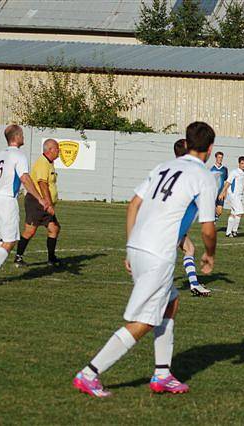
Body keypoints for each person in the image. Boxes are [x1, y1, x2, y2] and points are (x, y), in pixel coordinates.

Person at [73, 122, 218, 398]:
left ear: (186, 144)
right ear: (210, 149)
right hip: (157, 254)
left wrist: (130, 247)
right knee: (146, 319)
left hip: (139, 245)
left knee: (171, 303)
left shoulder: (163, 167)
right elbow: (208, 228)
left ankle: (162, 374)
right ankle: (89, 373)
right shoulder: (203, 176)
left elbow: (133, 204)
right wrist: (209, 255)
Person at [0, 125, 49, 286]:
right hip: (6, 200)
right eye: (22, 135)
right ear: (17, 136)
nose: (24, 137)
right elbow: (25, 178)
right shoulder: (19, 155)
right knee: (10, 241)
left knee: (1, 239)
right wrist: (40, 199)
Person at [14, 139, 61, 267]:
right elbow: (42, 184)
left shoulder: (49, 163)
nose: (59, 151)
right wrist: (48, 203)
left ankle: (51, 259)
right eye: (57, 149)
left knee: (54, 228)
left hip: (44, 203)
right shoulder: (42, 163)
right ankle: (18, 257)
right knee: (30, 230)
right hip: (37, 202)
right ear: (50, 150)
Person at [174, 139, 212, 297]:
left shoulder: (170, 168)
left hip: (170, 221)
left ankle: (194, 284)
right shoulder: (187, 171)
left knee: (189, 249)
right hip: (172, 223)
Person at [219, 156, 244, 237]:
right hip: (233, 195)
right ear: (239, 163)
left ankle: (228, 233)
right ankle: (234, 231)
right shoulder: (234, 172)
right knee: (240, 212)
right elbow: (228, 182)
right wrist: (222, 192)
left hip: (239, 196)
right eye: (242, 163)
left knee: (233, 214)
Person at [210, 151, 228, 221]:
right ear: (216, 158)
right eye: (219, 157)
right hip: (212, 192)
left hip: (221, 193)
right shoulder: (211, 168)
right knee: (212, 209)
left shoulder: (225, 169)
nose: (220, 159)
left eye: (221, 157)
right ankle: (212, 221)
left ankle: (215, 218)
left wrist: (225, 192)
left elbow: (226, 181)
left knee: (219, 211)